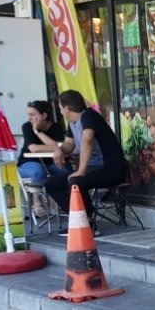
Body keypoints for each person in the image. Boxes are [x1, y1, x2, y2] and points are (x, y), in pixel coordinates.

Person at [43, 90, 127, 223]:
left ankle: (87, 222)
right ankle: (78, 219)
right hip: (93, 170)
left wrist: (80, 171)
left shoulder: (89, 116)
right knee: (51, 184)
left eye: (60, 108)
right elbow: (69, 145)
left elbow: (87, 140)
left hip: (111, 169)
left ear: (67, 108)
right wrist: (58, 149)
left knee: (76, 181)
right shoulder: (72, 123)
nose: (60, 112)